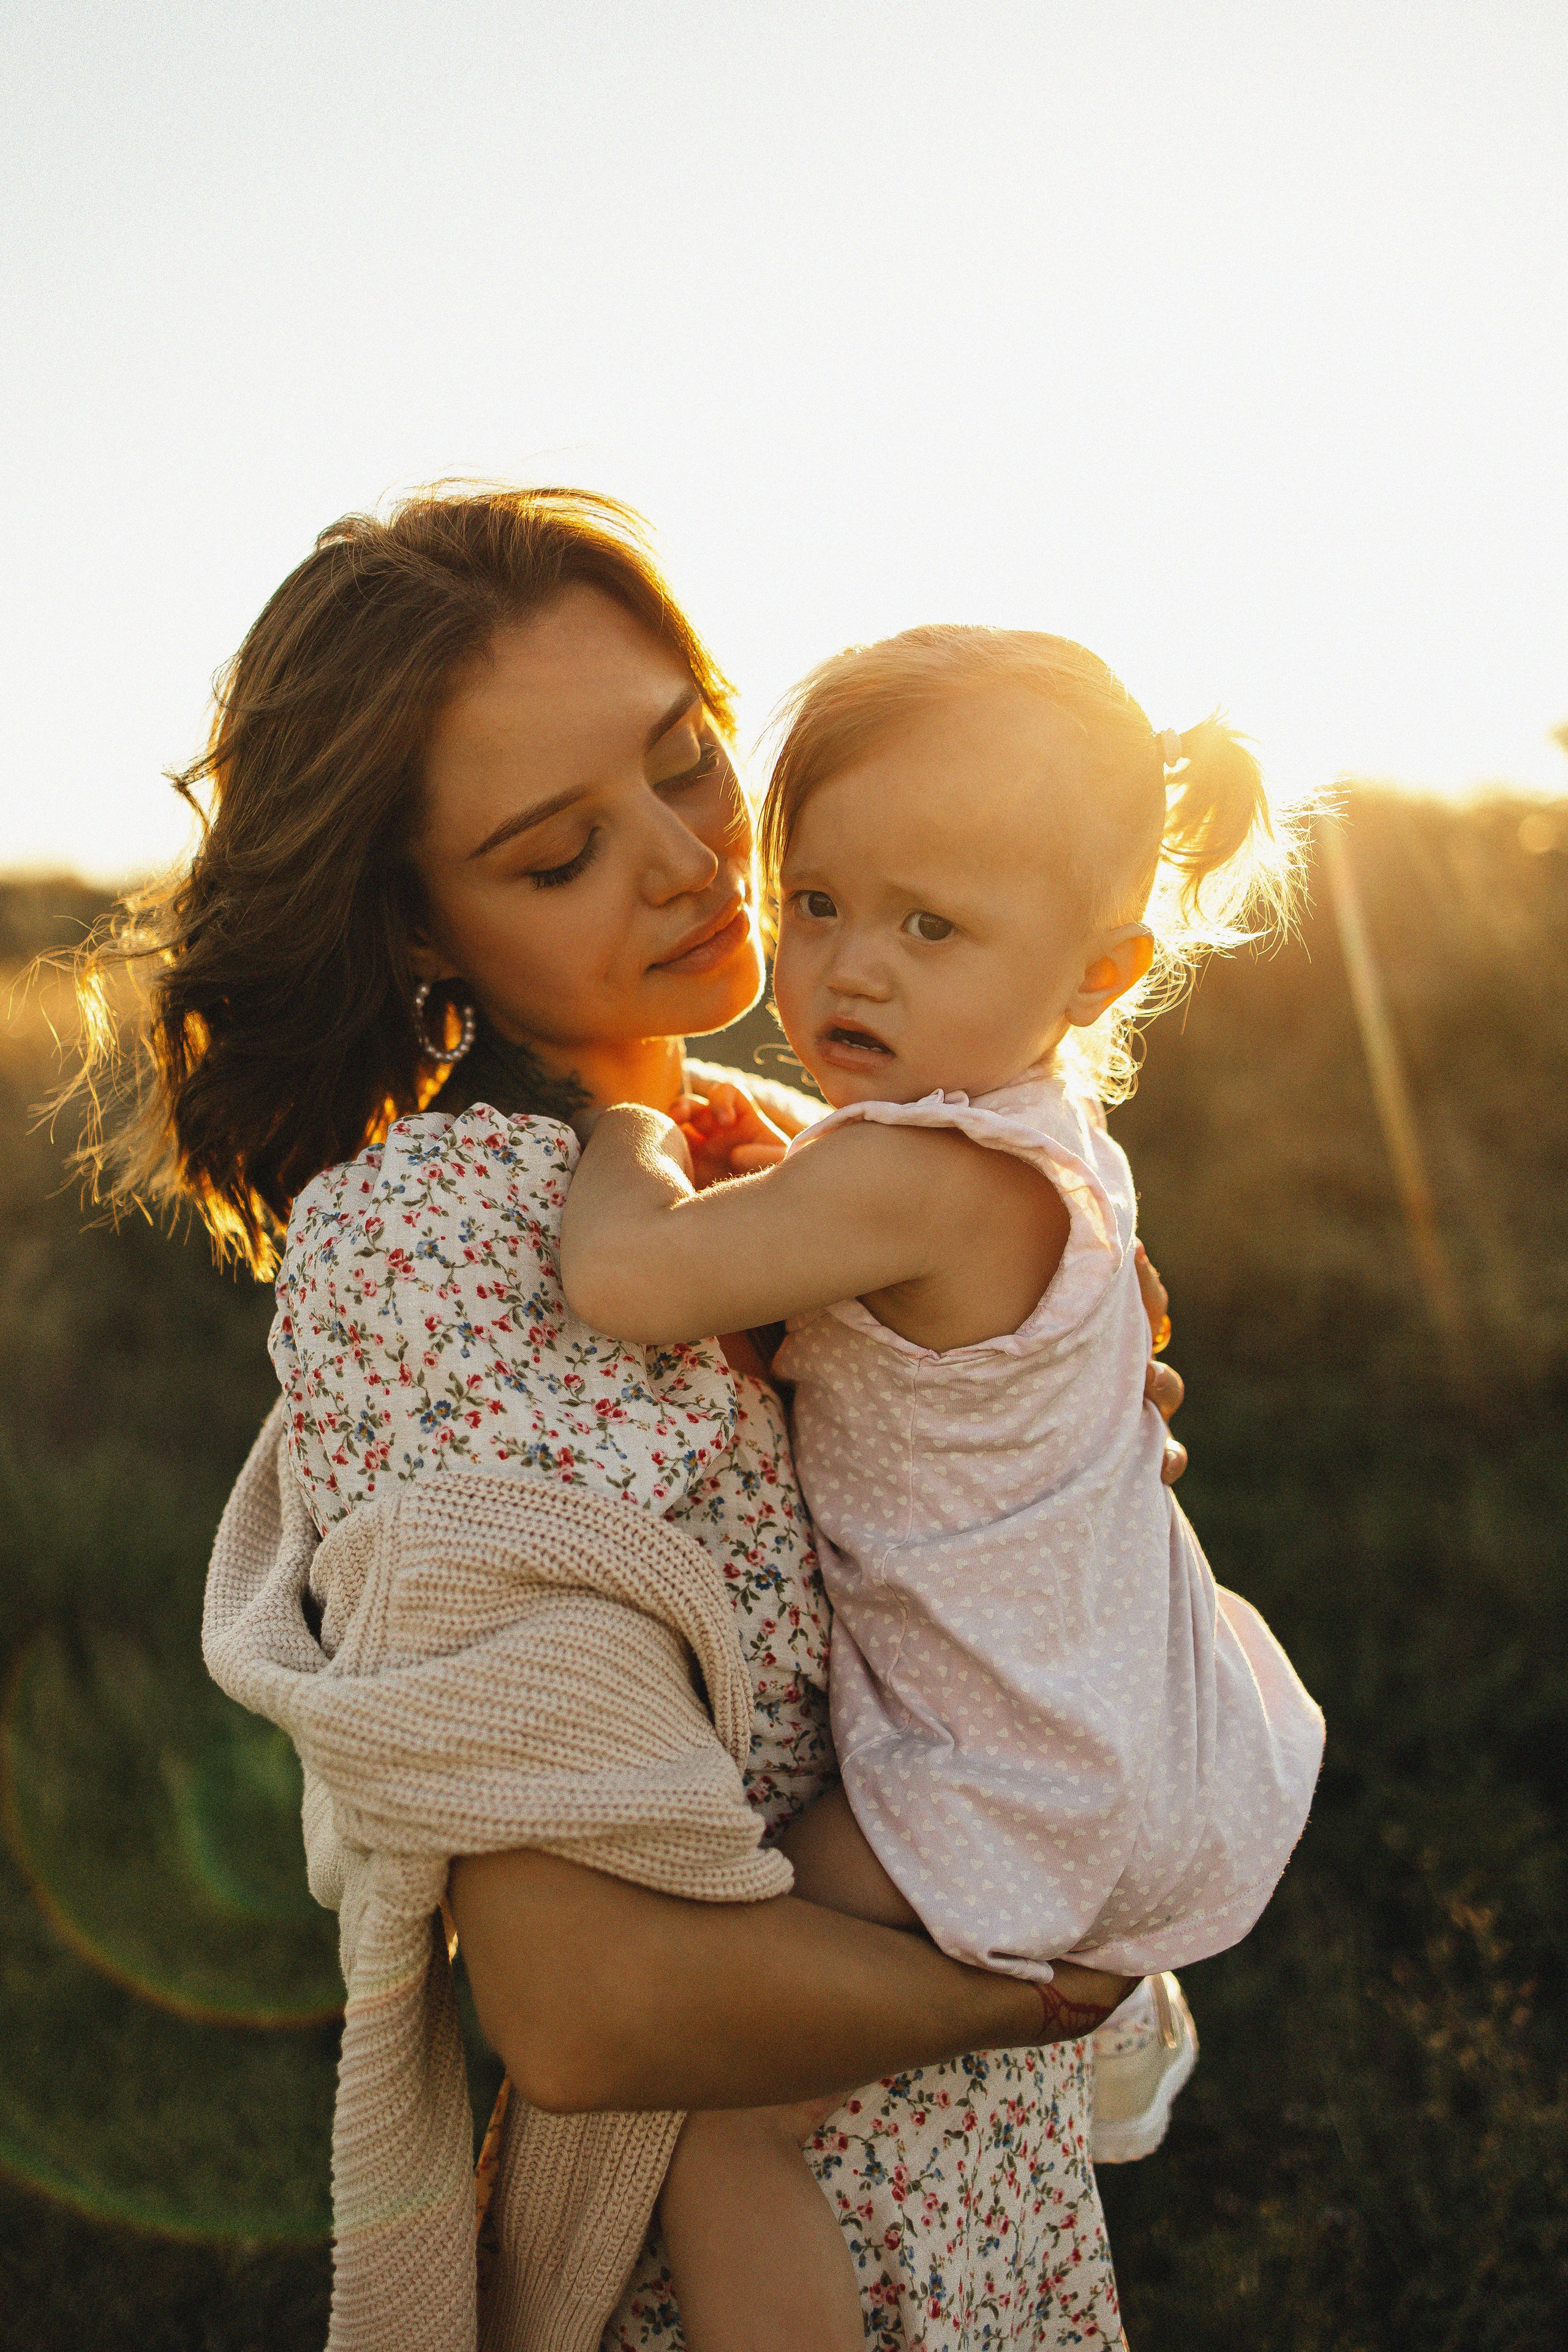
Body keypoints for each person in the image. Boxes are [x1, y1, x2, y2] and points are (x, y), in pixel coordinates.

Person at [74, 489, 1192, 2351]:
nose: (690, 858)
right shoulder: (437, 1240)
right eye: (556, 855)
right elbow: (589, 2012)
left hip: (994, 2231)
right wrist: (1021, 1994)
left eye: (689, 761)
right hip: (721, 2264)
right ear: (416, 927)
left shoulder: (810, 1157)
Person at [556, 625, 1327, 2349]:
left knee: (723, 2117)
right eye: (816, 902)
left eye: (930, 927)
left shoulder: (913, 1185)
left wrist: (629, 1136)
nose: (853, 972)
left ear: (1102, 970)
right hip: (1119, 1709)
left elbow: (627, 1280)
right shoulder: (1045, 1141)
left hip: (1003, 1759)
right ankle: (1093, 2011)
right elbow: (833, 1194)